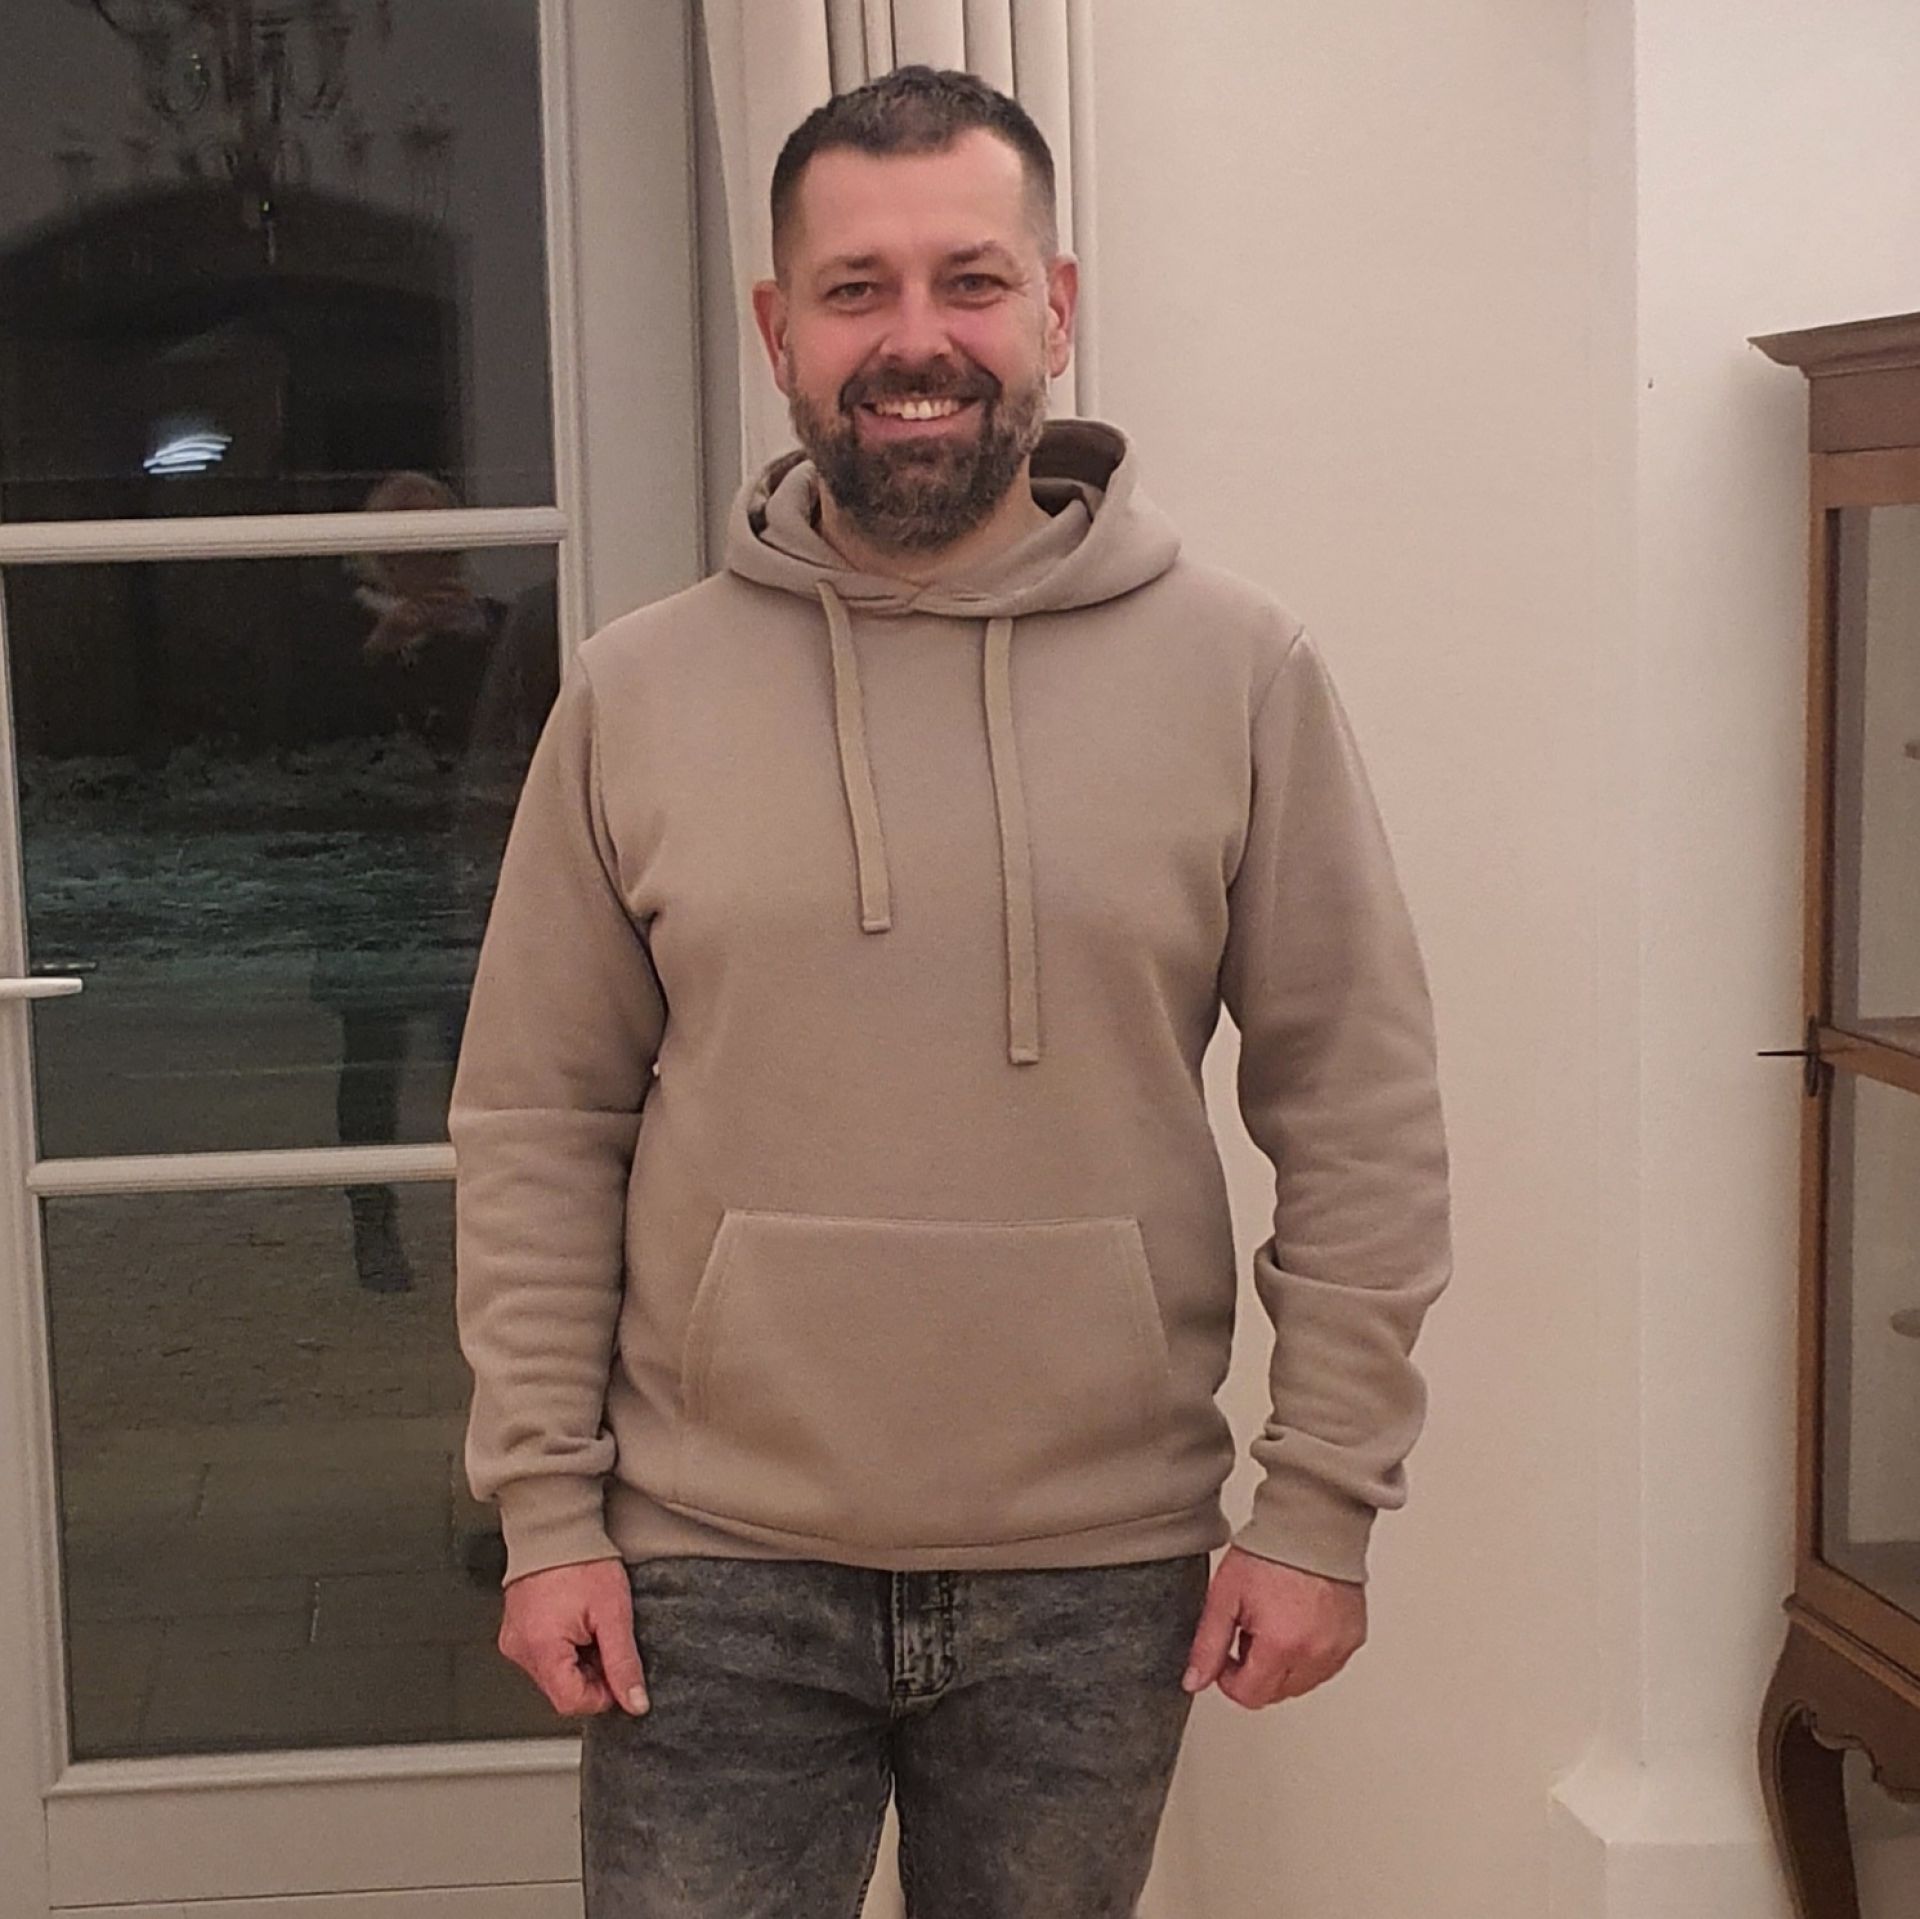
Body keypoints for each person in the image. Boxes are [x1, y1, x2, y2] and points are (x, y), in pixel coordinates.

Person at [450, 65, 1452, 1917]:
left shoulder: (1239, 671)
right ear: (780, 332)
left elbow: (1358, 1107)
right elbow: (537, 1118)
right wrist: (544, 1510)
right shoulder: (635, 693)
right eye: (857, 290)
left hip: (1096, 1575)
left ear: (1053, 307)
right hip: (707, 1572)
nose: (918, 340)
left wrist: (1321, 1503)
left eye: (971, 281)